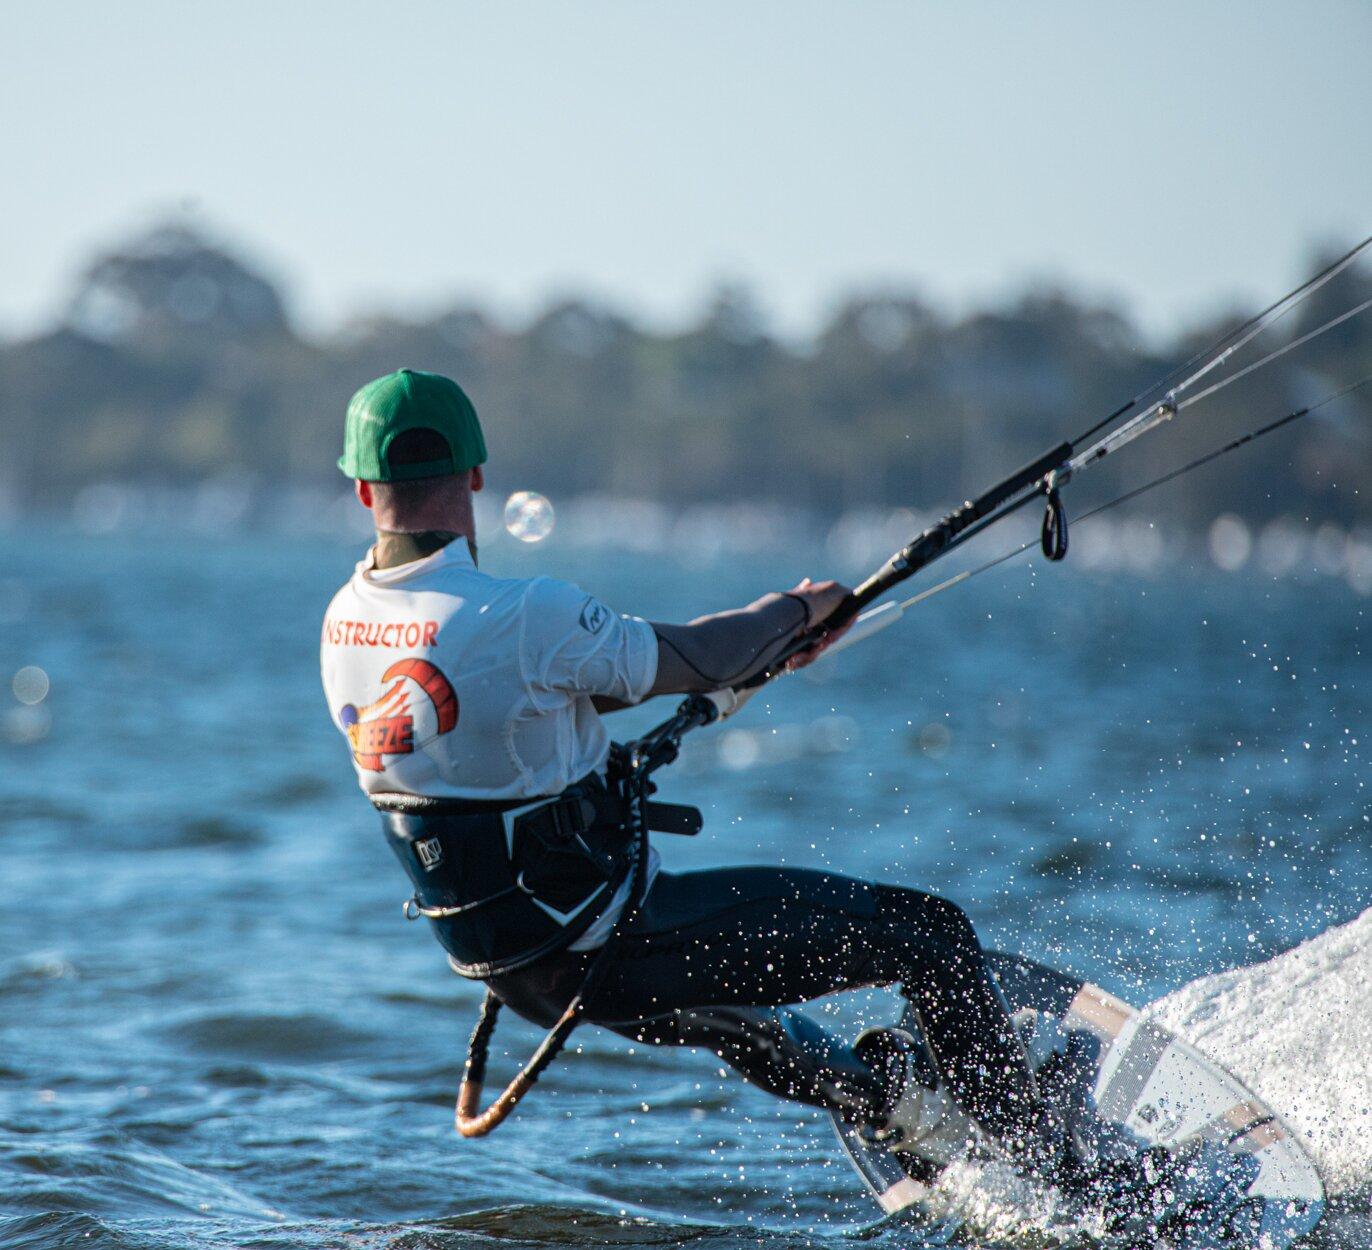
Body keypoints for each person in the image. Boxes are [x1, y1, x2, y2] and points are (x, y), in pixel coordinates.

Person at [319, 369, 1130, 1205]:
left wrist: (764, 651)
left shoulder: (342, 625)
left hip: (525, 975)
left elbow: (528, 700)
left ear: (360, 487)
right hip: (616, 944)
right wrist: (797, 608)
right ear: (477, 473)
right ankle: (1063, 1172)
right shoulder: (520, 613)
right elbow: (696, 658)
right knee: (932, 935)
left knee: (753, 1019)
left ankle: (897, 1103)